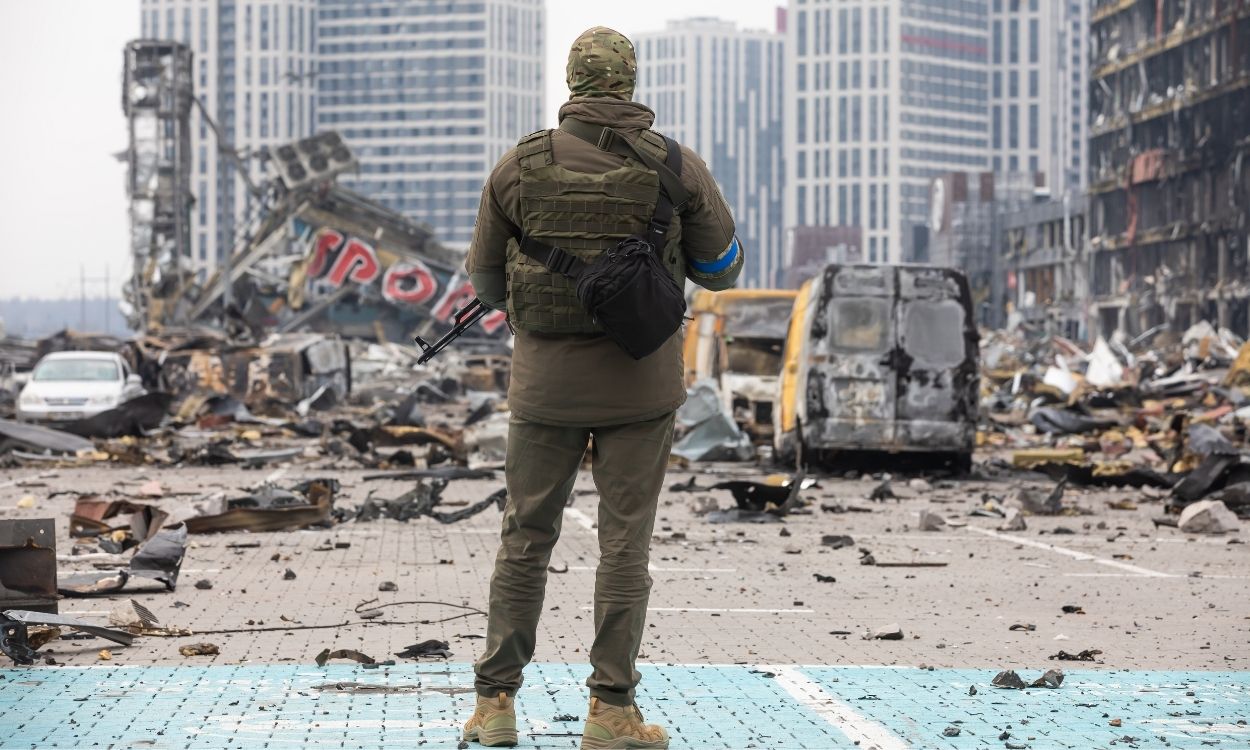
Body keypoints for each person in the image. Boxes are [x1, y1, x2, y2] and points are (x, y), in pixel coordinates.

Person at [461, 26, 742, 749]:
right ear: (629, 80)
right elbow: (722, 270)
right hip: (641, 388)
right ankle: (611, 712)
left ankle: (495, 706)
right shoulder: (677, 165)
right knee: (624, 548)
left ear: (573, 81)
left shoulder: (516, 168)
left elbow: (487, 286)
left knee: (524, 538)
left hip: (544, 389)